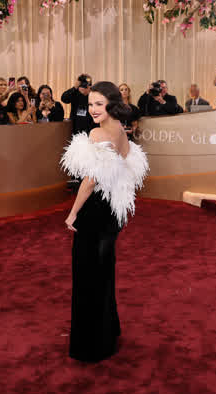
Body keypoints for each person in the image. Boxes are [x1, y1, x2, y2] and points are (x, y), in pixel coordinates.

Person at [60, 81, 149, 362]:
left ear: (111, 104)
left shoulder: (98, 133)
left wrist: (73, 212)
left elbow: (90, 180)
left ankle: (91, 345)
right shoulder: (121, 130)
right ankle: (106, 334)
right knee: (103, 271)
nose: (93, 109)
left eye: (99, 104)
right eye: (90, 104)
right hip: (112, 211)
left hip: (95, 210)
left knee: (87, 274)